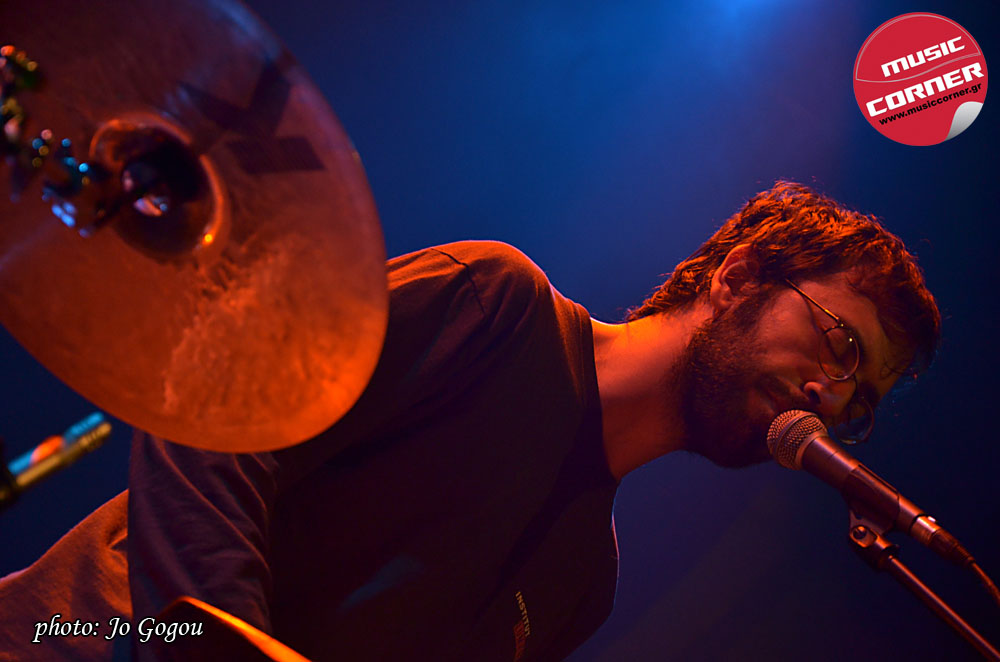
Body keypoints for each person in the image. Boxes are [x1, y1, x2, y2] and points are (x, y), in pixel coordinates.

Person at [0, 181, 940, 661]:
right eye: (838, 344)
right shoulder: (495, 302)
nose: (833, 396)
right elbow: (210, 413)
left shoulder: (584, 585)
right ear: (737, 277)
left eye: (859, 401)